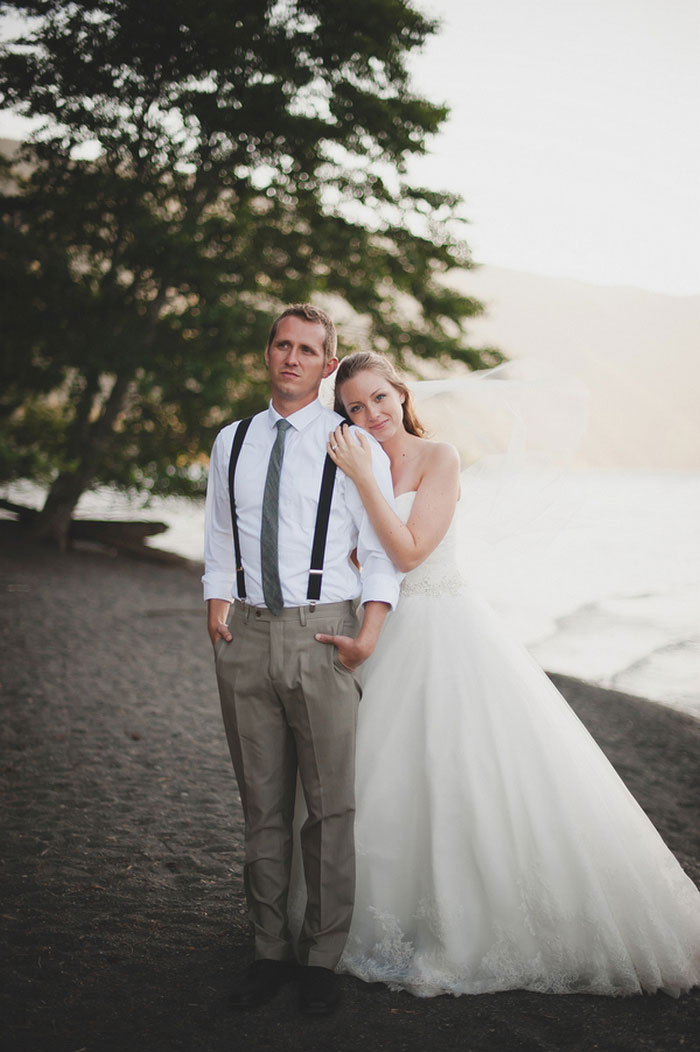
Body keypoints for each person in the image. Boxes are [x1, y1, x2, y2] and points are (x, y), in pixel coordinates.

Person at [314, 350, 700, 998]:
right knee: (383, 778)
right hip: (387, 629)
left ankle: (469, 927)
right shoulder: (366, 462)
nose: (370, 414)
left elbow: (409, 550)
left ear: (400, 392)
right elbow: (361, 552)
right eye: (354, 407)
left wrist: (362, 483)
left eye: (378, 398)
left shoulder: (438, 458)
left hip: (445, 627)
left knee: (465, 773)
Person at [203, 310, 402, 1015]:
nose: (293, 357)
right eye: (283, 344)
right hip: (247, 636)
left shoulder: (351, 444)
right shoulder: (233, 440)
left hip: (323, 635)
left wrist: (366, 636)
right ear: (268, 355)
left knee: (328, 809)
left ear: (327, 365)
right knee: (261, 805)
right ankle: (267, 953)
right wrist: (216, 605)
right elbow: (220, 535)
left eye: (309, 350)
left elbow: (382, 554)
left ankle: (321, 959)